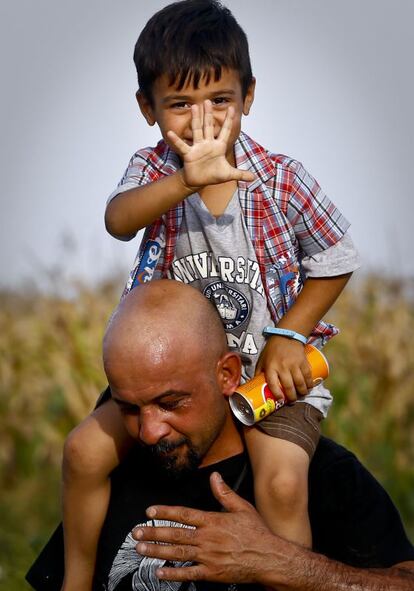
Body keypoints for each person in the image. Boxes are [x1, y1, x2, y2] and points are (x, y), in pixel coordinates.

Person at [61, 1, 360, 588]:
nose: (204, 123)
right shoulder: (153, 170)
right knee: (82, 454)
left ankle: (283, 578)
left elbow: (337, 258)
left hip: (266, 376)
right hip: (173, 385)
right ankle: (74, 579)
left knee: (279, 480)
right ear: (148, 108)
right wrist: (185, 180)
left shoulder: (280, 178)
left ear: (248, 96)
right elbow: (118, 220)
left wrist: (290, 335)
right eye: (180, 104)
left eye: (220, 100)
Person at [27, 280, 414, 590]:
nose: (149, 431)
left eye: (171, 402)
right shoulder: (109, 476)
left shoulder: (321, 475)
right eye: (128, 408)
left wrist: (287, 565)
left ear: (227, 374)